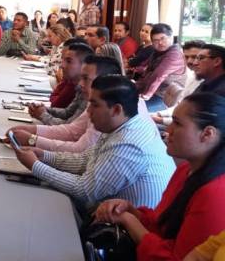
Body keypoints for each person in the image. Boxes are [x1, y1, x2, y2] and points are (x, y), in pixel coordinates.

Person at [94, 92, 225, 260]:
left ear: (207, 134)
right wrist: (131, 210)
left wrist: (129, 220)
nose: (168, 130)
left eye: (177, 123)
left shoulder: (215, 195)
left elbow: (177, 258)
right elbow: (161, 225)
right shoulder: (186, 169)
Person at [14, 75, 175, 211]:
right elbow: (86, 159)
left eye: (94, 105)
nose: (89, 111)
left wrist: (35, 166)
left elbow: (85, 191)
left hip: (124, 232)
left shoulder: (129, 144)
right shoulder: (123, 124)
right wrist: (44, 156)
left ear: (116, 110)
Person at [10, 54, 123, 152]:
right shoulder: (93, 101)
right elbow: (72, 131)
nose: (80, 84)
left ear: (104, 81)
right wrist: (33, 130)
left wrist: (33, 140)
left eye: (85, 78)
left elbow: (81, 150)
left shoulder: (105, 109)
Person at [152, 40, 205, 127]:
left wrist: (160, 120)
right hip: (177, 121)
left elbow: (195, 121)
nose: (190, 61)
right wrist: (158, 114)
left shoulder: (208, 83)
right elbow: (180, 105)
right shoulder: (191, 75)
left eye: (194, 57)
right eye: (186, 57)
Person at [136, 23, 186, 112]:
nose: (160, 43)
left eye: (163, 38)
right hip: (152, 90)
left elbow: (158, 76)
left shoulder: (175, 54)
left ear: (171, 37)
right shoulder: (158, 52)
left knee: (135, 110)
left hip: (162, 96)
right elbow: (146, 68)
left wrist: (147, 94)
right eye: (155, 40)